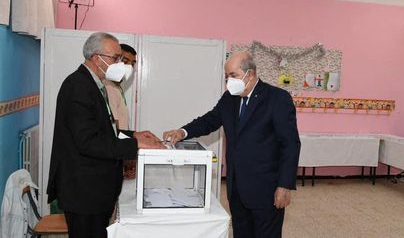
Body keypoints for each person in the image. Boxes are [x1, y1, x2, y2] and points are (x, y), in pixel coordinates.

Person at [163, 51, 301, 238]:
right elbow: (209, 120)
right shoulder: (230, 98)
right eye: (226, 76)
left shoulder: (277, 98)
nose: (228, 81)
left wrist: (284, 185)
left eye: (233, 75)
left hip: (266, 188)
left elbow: (290, 144)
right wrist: (183, 131)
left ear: (250, 74)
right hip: (236, 187)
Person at [47, 32, 164, 238]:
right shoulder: (78, 86)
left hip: (95, 189)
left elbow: (104, 129)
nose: (121, 63)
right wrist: (135, 145)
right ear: (96, 58)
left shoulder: (94, 84)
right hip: (83, 191)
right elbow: (88, 142)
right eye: (116, 58)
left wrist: (133, 134)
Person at [104, 43, 137, 179]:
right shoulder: (108, 87)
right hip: (114, 152)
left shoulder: (116, 86)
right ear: (115, 61)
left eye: (132, 63)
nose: (129, 67)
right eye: (125, 61)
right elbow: (113, 125)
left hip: (117, 151)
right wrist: (127, 157)